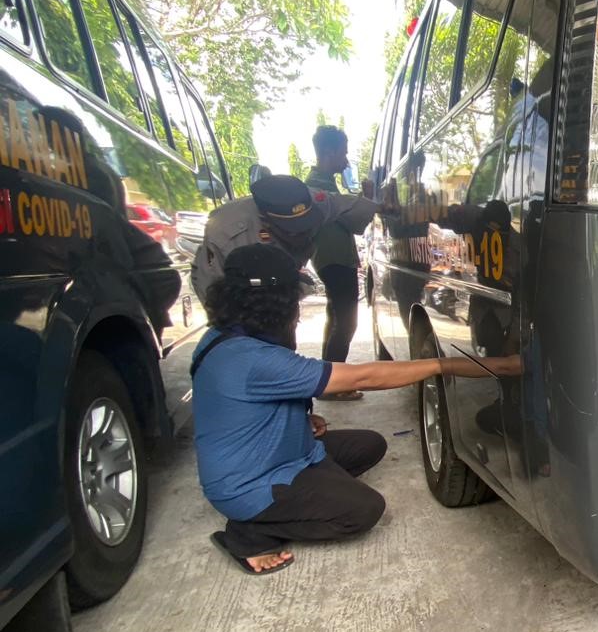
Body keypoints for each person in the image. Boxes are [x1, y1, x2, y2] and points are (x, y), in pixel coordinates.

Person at [192, 243, 518, 575]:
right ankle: (249, 532)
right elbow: (364, 376)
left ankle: (310, 488)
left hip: (277, 454)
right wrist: (445, 364)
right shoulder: (252, 358)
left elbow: (242, 406)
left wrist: (300, 418)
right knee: (363, 510)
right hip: (249, 482)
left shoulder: (224, 337)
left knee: (369, 445)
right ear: (275, 303)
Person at [191, 174, 378, 305]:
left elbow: (351, 206)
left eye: (306, 225)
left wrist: (387, 208)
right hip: (238, 297)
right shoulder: (226, 234)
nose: (302, 234)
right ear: (267, 222)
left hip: (281, 280)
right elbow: (212, 297)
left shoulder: (317, 202)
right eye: (292, 231)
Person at [305, 126, 363, 401]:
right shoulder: (320, 189)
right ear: (329, 153)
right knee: (347, 322)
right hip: (336, 262)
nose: (346, 159)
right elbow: (355, 220)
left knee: (336, 318)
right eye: (343, 152)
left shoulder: (323, 184)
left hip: (331, 261)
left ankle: (326, 379)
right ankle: (333, 386)